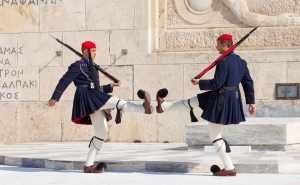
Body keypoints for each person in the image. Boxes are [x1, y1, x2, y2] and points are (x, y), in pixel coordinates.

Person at [156, 34, 257, 176]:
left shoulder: (223, 62)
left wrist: (200, 82)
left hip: (222, 99)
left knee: (216, 136)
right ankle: (164, 107)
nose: (216, 47)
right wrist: (251, 102)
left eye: (217, 44)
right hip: (231, 98)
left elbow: (217, 83)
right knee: (195, 101)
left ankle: (229, 168)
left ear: (224, 45)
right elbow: (248, 82)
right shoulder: (241, 62)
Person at [48, 41, 153, 173]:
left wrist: (110, 86)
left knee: (101, 132)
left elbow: (95, 87)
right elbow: (64, 81)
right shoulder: (77, 66)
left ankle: (88, 165)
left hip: (94, 94)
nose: (95, 53)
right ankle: (143, 108)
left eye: (95, 51)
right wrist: (55, 98)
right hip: (86, 96)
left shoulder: (93, 66)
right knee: (116, 101)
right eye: (92, 51)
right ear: (85, 52)